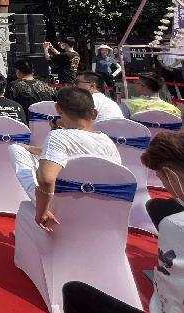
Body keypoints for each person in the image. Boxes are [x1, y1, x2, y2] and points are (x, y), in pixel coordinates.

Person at [62, 131, 184, 312]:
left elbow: (170, 305)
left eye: (161, 178)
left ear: (171, 176)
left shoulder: (173, 225)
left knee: (74, 293)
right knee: (157, 206)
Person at [8, 86, 121, 231]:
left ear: (58, 109)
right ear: (94, 114)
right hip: (100, 210)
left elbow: (46, 180)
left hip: (61, 210)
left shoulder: (58, 137)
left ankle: (44, 207)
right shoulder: (108, 142)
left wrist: (41, 211)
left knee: (15, 149)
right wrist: (32, 149)